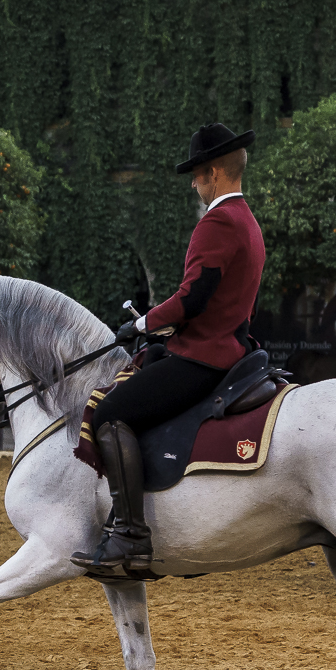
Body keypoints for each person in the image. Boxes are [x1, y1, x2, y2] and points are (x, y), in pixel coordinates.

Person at [71, 123, 266, 571]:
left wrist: (140, 323)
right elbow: (212, 300)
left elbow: (192, 297)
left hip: (205, 356)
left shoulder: (217, 222)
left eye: (196, 176)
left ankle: (130, 537)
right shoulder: (248, 221)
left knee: (109, 413)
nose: (195, 185)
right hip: (228, 347)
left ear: (214, 173)